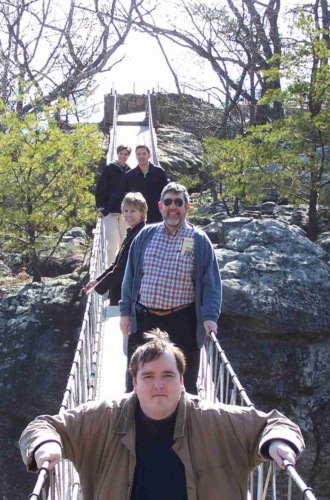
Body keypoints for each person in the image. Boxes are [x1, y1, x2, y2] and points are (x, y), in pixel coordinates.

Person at [19, 330, 305, 500]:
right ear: (134, 382)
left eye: (168, 375)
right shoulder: (103, 418)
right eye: (149, 376)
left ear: (182, 381)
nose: (158, 384)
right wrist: (47, 444)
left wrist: (278, 441)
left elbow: (275, 424)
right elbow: (44, 426)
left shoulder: (216, 420)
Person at [119, 182, 221, 394]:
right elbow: (130, 276)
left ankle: (184, 425)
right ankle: (132, 423)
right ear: (160, 206)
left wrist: (209, 317)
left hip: (182, 322)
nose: (173, 207)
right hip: (145, 319)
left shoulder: (199, 240)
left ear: (187, 207)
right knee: (138, 379)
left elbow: (210, 283)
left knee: (185, 382)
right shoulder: (145, 236)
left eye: (178, 202)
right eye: (168, 202)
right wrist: (125, 313)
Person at [84, 192, 147, 305]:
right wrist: (97, 280)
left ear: (142, 213)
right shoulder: (132, 233)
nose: (128, 215)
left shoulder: (139, 236)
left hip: (131, 297)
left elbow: (122, 270)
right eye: (126, 211)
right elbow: (116, 264)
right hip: (125, 294)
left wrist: (97, 289)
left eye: (133, 211)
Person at [95, 144, 132, 266]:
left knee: (124, 241)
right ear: (117, 153)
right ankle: (109, 268)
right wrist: (100, 205)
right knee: (112, 242)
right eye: (121, 153)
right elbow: (101, 187)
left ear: (128, 156)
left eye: (125, 154)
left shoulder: (129, 170)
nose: (123, 156)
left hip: (125, 212)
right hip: (109, 211)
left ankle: (120, 268)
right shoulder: (109, 168)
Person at [121, 144, 168, 223]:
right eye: (138, 154)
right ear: (136, 156)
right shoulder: (129, 175)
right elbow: (125, 194)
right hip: (137, 215)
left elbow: (165, 192)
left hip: (156, 213)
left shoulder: (159, 172)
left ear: (149, 155)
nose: (141, 156)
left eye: (144, 154)